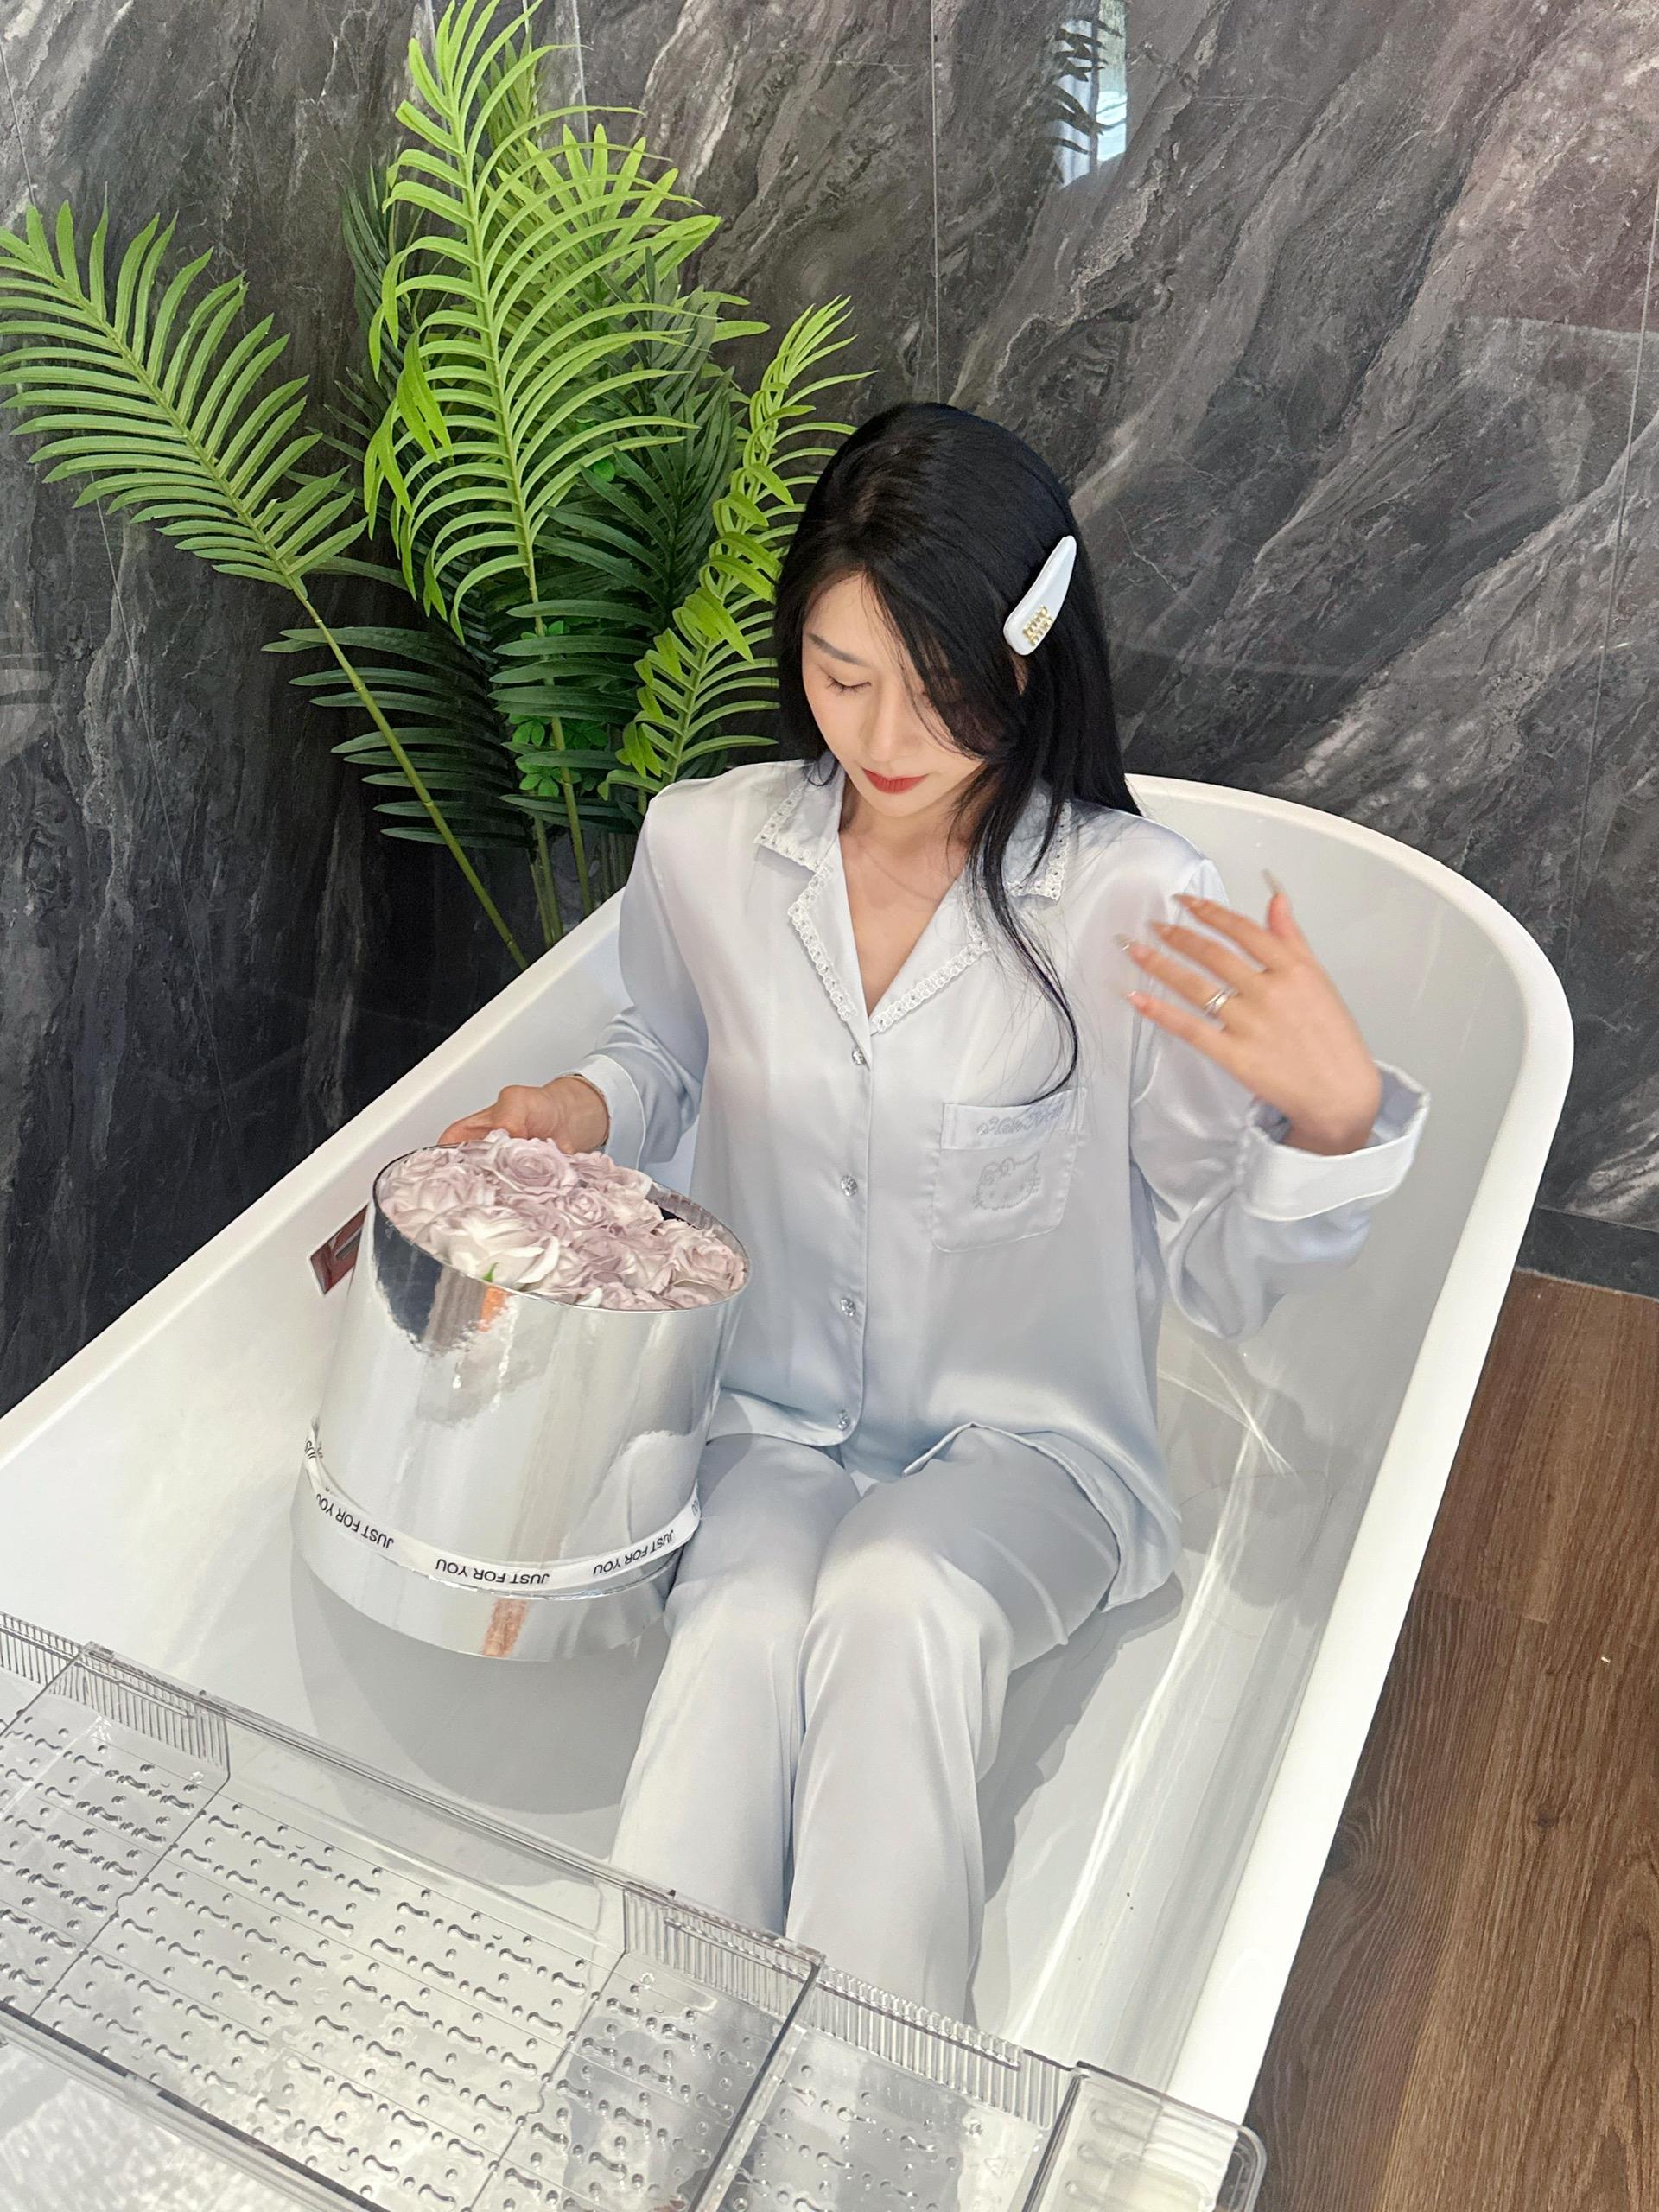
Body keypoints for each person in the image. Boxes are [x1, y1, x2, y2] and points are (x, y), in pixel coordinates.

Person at [440, 402, 1430, 2019]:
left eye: (939, 683)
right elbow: (668, 1055)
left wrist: (1326, 1121)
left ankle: (873, 2120)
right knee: (742, 1626)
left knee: (896, 1599)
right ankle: (637, 2090)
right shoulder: (704, 846)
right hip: (763, 1420)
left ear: (1029, 657)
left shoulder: (1133, 904)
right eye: (842, 678)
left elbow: (1222, 1271)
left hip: (1033, 1450)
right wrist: (582, 1110)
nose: (886, 735)